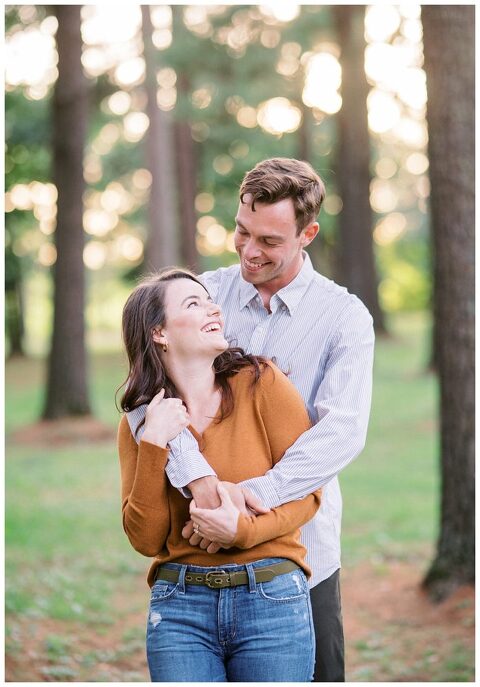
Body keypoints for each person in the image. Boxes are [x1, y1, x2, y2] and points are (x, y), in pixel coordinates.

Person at [127, 157, 375, 681]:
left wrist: (249, 500)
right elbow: (144, 394)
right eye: (242, 231)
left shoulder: (342, 317)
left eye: (268, 240)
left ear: (306, 234)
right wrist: (202, 485)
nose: (248, 250)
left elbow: (343, 429)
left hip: (300, 548)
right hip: (193, 554)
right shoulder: (204, 294)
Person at [118, 268, 322, 682]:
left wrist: (240, 532)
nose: (214, 307)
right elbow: (146, 538)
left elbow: (308, 494)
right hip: (180, 607)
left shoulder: (262, 383)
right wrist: (155, 444)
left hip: (271, 596)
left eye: (210, 299)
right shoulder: (141, 423)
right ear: (159, 332)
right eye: (193, 304)